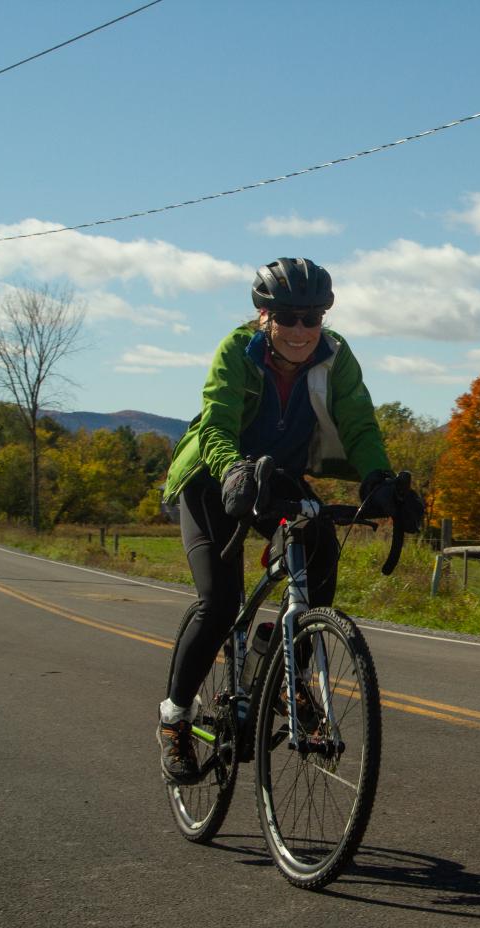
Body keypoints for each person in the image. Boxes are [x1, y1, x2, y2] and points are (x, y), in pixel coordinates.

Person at [157, 257, 423, 784]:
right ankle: (174, 721)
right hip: (213, 479)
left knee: (321, 546)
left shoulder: (336, 357)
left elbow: (359, 420)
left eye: (312, 316)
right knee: (219, 602)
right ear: (264, 315)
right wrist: (232, 469)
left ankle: (285, 670)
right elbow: (216, 422)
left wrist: (378, 479)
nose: (301, 329)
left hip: (278, 477)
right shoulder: (237, 351)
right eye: (289, 317)